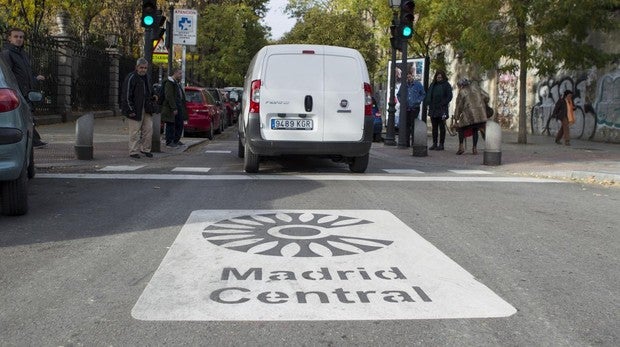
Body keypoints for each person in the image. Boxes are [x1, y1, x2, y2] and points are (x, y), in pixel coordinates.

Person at [1, 28, 47, 148]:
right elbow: (8, 74)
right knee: (26, 117)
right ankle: (33, 141)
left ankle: (34, 140)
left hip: (27, 91)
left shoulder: (23, 54)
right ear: (9, 38)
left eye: (21, 37)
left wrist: (35, 78)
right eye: (16, 37)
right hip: (17, 92)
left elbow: (26, 72)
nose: (19, 39)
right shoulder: (7, 54)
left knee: (29, 116)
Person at [121, 57, 155, 158]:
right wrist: (130, 109)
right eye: (141, 67)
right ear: (137, 67)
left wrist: (154, 95)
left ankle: (145, 149)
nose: (143, 70)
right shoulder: (131, 77)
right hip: (135, 109)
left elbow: (150, 90)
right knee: (134, 131)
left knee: (148, 130)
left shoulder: (147, 78)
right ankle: (133, 151)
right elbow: (126, 95)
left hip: (146, 108)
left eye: (145, 68)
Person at [453, 78, 489, 155]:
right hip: (479, 114)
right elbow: (487, 96)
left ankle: (461, 147)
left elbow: (459, 106)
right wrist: (481, 102)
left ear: (461, 86)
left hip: (468, 114)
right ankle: (474, 149)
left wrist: (456, 118)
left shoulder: (462, 92)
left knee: (461, 129)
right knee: (475, 129)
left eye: (459, 86)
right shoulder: (476, 88)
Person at [424, 70, 453, 150]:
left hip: (442, 109)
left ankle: (441, 144)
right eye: (437, 77)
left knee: (442, 127)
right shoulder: (433, 85)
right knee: (434, 127)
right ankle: (434, 143)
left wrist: (443, 103)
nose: (439, 78)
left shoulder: (446, 85)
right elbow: (429, 95)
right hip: (433, 108)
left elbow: (449, 96)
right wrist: (428, 103)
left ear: (443, 77)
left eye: (440, 77)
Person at [160, 68, 187, 147]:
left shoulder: (176, 83)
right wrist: (173, 107)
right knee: (170, 124)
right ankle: (170, 141)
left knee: (179, 124)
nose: (181, 75)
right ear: (175, 73)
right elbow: (169, 96)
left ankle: (176, 140)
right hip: (171, 108)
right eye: (179, 74)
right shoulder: (170, 83)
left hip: (178, 106)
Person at [404, 71, 426, 144]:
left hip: (415, 108)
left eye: (409, 77)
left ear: (412, 76)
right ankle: (406, 142)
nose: (408, 79)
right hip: (407, 108)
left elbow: (423, 94)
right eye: (407, 77)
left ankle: (414, 142)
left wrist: (418, 100)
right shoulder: (404, 85)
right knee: (407, 125)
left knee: (414, 125)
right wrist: (402, 102)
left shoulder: (418, 84)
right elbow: (399, 95)